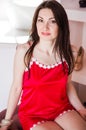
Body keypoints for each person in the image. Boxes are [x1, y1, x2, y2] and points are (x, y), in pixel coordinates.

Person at [0, 0, 86, 130]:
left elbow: (68, 85)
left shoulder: (70, 52)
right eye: (40, 20)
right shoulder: (25, 51)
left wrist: (81, 109)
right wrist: (6, 121)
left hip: (60, 108)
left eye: (52, 21)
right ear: (35, 23)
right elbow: (16, 88)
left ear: (61, 25)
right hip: (32, 114)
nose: (45, 27)